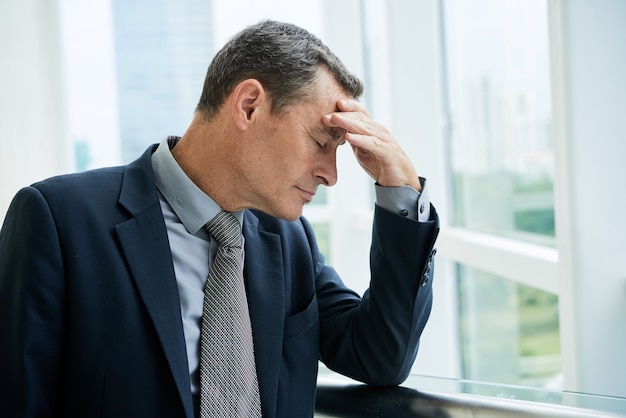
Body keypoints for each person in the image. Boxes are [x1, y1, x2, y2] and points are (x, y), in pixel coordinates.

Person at [0, 20, 439, 418]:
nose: (332, 175)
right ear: (248, 106)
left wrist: (399, 194)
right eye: (322, 141)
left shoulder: (289, 240)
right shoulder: (58, 220)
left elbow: (381, 356)